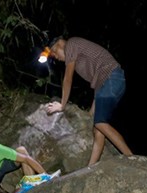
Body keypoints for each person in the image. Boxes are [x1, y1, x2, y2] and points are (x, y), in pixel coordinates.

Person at [45, 36, 134, 166]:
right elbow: (99, 85)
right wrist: (91, 113)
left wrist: (62, 105)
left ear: (59, 44)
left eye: (54, 53)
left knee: (100, 123)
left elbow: (68, 78)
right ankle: (91, 167)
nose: (55, 57)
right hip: (109, 83)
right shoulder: (78, 52)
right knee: (97, 129)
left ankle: (131, 159)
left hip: (112, 78)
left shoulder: (71, 44)